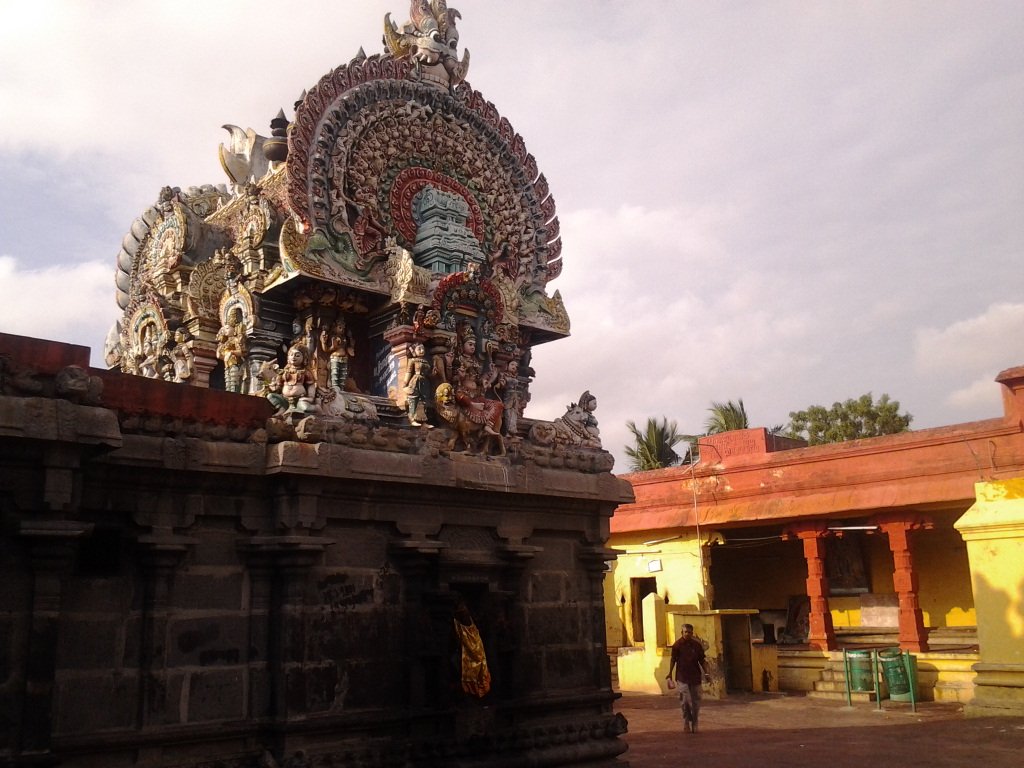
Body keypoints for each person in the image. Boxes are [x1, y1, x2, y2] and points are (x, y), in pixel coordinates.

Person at [666, 624, 710, 733]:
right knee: (685, 700)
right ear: (682, 633)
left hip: (695, 676)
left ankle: (695, 722)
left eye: (689, 632)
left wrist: (707, 673)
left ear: (692, 633)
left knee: (696, 702)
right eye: (685, 632)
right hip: (682, 677)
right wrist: (670, 672)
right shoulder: (677, 645)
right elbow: (673, 660)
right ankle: (686, 721)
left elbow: (702, 661)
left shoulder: (696, 645)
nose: (688, 634)